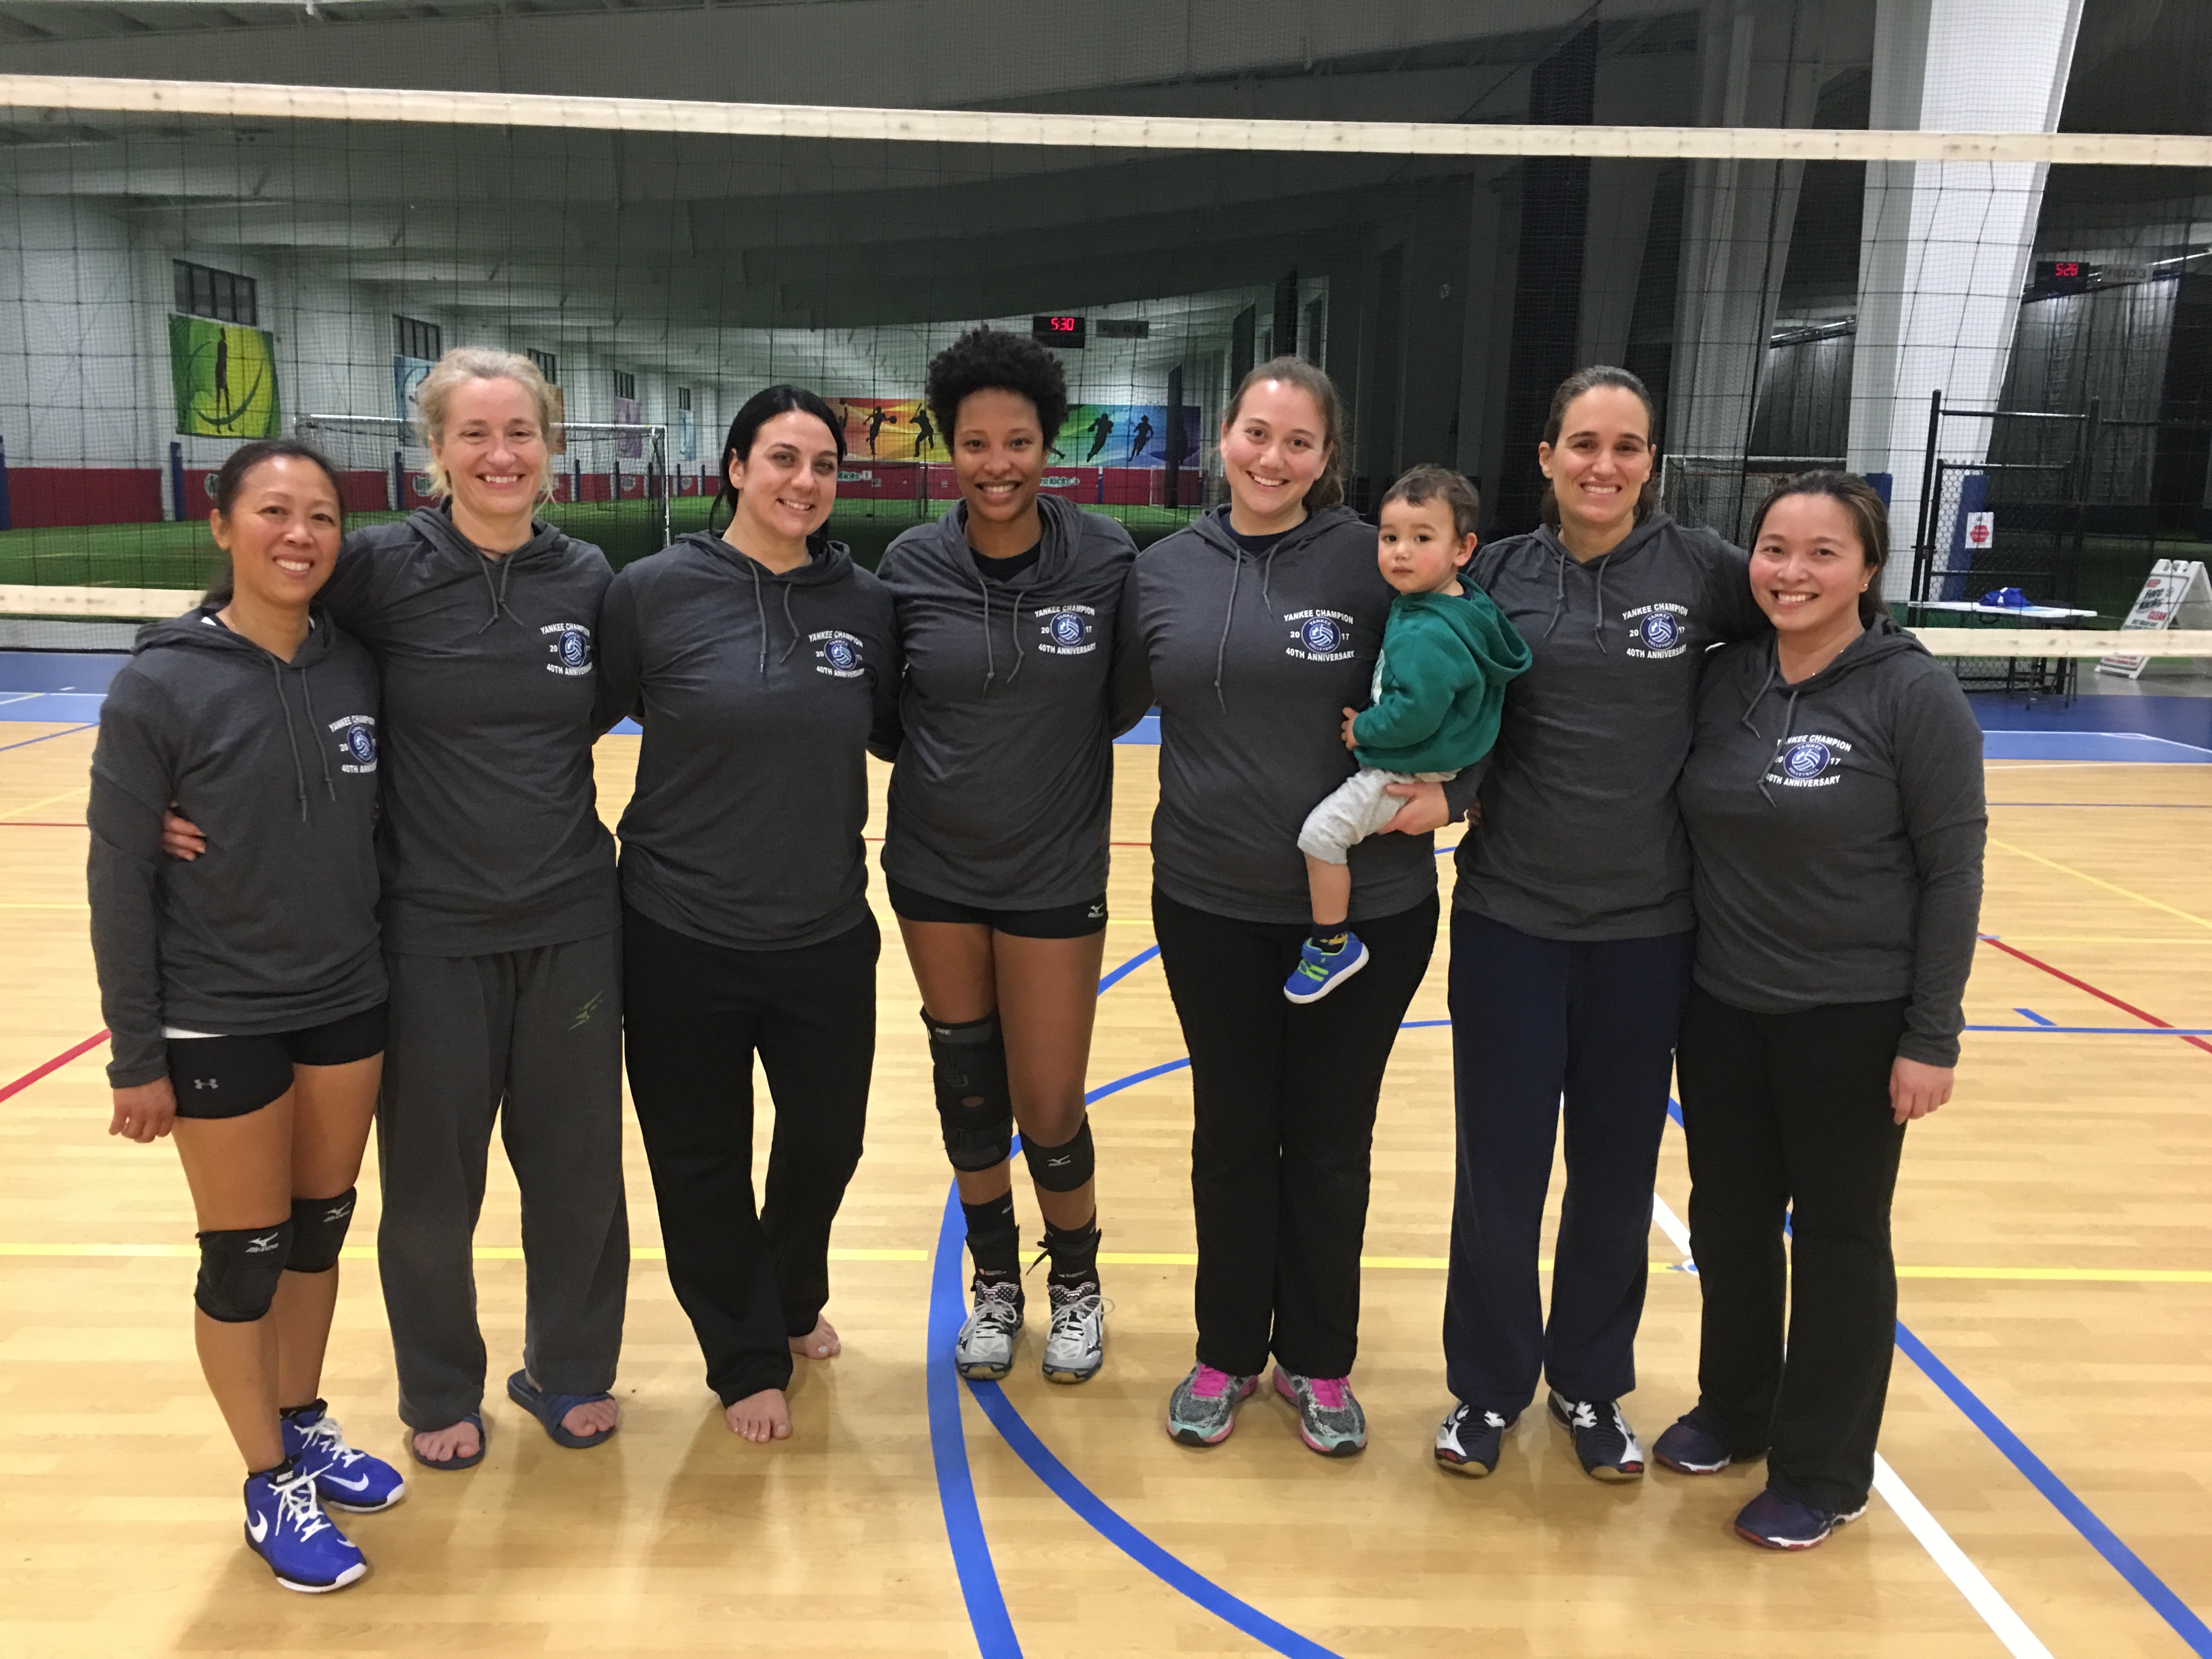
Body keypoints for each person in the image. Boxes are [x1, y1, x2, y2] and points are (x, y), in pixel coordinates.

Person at [166, 347, 628, 1470]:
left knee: (578, 1172)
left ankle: (569, 1367)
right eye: (474, 434)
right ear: (436, 452)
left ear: (550, 448)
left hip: (571, 923)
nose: (500, 454)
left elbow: (608, 707)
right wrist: (159, 776)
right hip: (426, 932)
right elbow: (234, 629)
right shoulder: (378, 567)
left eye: (519, 432)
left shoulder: (588, 578)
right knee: (429, 1185)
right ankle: (439, 1386)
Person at [1120, 357, 1471, 1457]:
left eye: (1299, 441)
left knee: (1327, 1140)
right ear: (1224, 437)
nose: (1272, 458)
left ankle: (1317, 1359)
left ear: (1328, 458)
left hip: (1368, 913)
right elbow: (1096, 703)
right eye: (1256, 433)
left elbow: (1486, 683)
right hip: (1208, 902)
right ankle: (1225, 1350)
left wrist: (1458, 795)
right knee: (1231, 1136)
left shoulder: (1378, 559)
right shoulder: (1162, 570)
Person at [1434, 365, 1766, 1483]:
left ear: (1650, 461)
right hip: (1509, 922)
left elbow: (1806, 624)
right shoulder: (1498, 577)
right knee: (1501, 1169)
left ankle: (1588, 1382)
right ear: (1546, 456)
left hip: (1647, 932)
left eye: (1627, 446)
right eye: (1583, 442)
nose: (1604, 465)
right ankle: (1486, 1388)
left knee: (1616, 1173)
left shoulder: (1702, 569)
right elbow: (1440, 687)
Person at [93, 438, 402, 1593]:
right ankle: (267, 1477)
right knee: (245, 1255)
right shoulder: (161, 684)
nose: (299, 534)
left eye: (321, 514)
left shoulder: (355, 663)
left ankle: (302, 1420)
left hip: (347, 996)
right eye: (273, 510)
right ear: (221, 526)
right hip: (220, 1009)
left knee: (321, 1228)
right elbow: (117, 876)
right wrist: (135, 1054)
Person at [1658, 472, 1985, 1550]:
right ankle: (1736, 1408)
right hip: (1723, 1007)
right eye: (1774, 548)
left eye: (1821, 553)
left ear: (1868, 569)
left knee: (1841, 1239)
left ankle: (1824, 1471)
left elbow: (1953, 872)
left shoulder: (1912, 695)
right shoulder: (1726, 676)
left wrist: (1931, 1035)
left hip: (1852, 1016)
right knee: (1728, 1220)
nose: (1791, 571)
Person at [596, 387, 899, 1443]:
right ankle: (743, 1353)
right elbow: (556, 720)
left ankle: (792, 1287)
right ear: (734, 468)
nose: (804, 481)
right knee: (700, 1155)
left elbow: (905, 729)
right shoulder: (649, 593)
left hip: (824, 929)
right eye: (781, 458)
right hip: (678, 930)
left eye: (824, 465)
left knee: (828, 1139)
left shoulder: (867, 603)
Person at [876, 328, 1138, 1385]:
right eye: (976, 443)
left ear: (1048, 444)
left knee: (1048, 1101)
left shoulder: (1107, 558)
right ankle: (995, 1282)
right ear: (950, 447)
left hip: (1053, 871)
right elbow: (885, 716)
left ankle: (1075, 1279)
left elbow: (1124, 699)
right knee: (968, 1090)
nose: (997, 464)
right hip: (933, 869)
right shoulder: (909, 565)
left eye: (1018, 441)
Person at [1289, 466, 1528, 1004]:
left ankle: (1331, 943)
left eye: (1422, 539)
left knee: (1320, 837)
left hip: (1409, 766)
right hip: (1443, 756)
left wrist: (1363, 731)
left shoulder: (1426, 632)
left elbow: (1415, 714)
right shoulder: (1463, 604)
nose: (1401, 552)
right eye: (1390, 537)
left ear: (1463, 549)